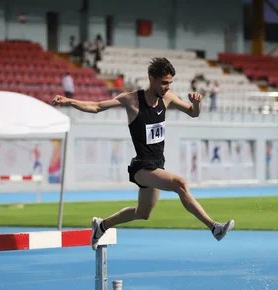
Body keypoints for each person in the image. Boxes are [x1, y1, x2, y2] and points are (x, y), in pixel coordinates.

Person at [51, 57, 234, 250]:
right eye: (164, 83)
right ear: (151, 79)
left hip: (157, 165)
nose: (167, 87)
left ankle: (101, 225)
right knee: (181, 184)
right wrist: (69, 100)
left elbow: (193, 113)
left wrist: (196, 103)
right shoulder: (131, 100)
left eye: (170, 83)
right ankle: (214, 228)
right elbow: (96, 107)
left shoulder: (168, 97)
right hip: (142, 167)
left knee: (143, 213)